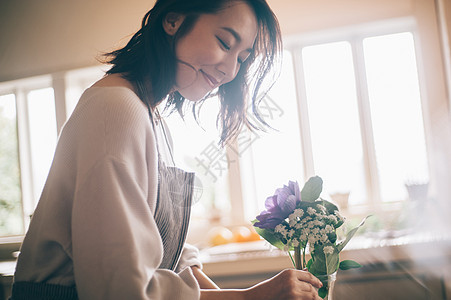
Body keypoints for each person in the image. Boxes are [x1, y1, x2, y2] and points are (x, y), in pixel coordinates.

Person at [10, 0, 323, 299]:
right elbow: (119, 291)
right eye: (225, 43)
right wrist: (250, 297)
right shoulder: (115, 110)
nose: (230, 70)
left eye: (242, 58)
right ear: (173, 20)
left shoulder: (148, 115)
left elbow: (171, 255)